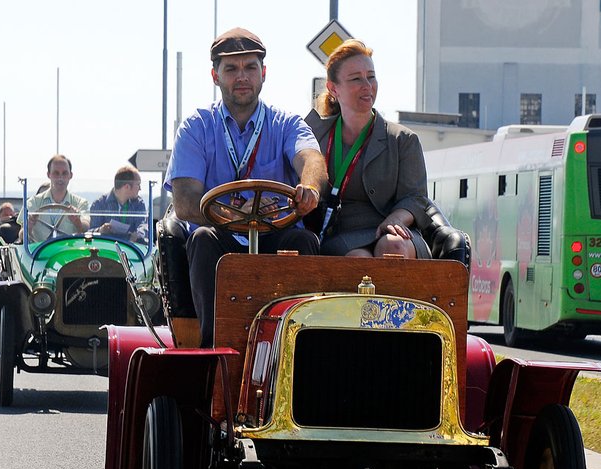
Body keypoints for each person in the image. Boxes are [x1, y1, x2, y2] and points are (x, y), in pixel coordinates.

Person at [165, 27, 327, 347]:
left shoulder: (287, 123)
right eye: (231, 69)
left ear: (263, 73)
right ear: (215, 75)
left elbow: (311, 158)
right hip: (220, 236)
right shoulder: (196, 127)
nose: (242, 76)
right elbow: (184, 202)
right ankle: (216, 352)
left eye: (250, 67)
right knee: (201, 239)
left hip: (273, 236)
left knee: (303, 239)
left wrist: (309, 188)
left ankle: (297, 350)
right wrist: (235, 212)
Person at [306, 39, 466, 262]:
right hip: (342, 233)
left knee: (393, 247)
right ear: (333, 89)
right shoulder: (314, 136)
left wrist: (397, 218)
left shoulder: (403, 139)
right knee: (357, 260)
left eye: (371, 76)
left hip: (396, 228)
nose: (367, 85)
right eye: (356, 79)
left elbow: (416, 197)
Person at [25, 155, 90, 242]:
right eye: (56, 173)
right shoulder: (33, 202)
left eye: (64, 173)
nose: (60, 178)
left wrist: (77, 222)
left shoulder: (80, 203)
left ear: (71, 175)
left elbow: (86, 228)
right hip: (39, 253)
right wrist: (28, 226)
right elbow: (21, 235)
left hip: (69, 252)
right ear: (49, 175)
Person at [90, 165, 148, 242]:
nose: (140, 188)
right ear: (127, 187)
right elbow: (90, 232)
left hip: (130, 249)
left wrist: (139, 233)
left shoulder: (139, 204)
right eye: (138, 184)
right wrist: (100, 230)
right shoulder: (99, 204)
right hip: (106, 249)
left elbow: (143, 225)